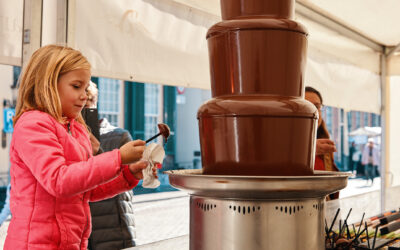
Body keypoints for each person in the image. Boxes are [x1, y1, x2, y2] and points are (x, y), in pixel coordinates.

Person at [4, 45, 154, 250]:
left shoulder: (77, 129)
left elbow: (85, 190)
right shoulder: (33, 124)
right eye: (76, 86)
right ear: (48, 84)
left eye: (85, 88)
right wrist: (117, 158)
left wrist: (128, 174)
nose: (84, 95)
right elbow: (59, 180)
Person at [85, 82, 139, 250]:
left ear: (94, 104)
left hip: (114, 232)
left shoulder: (119, 137)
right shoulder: (67, 140)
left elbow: (124, 185)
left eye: (87, 106)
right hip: (82, 234)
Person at [305, 86, 339, 199]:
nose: (312, 111)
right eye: (305, 106)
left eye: (317, 106)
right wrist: (307, 150)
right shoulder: (281, 144)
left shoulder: (325, 143)